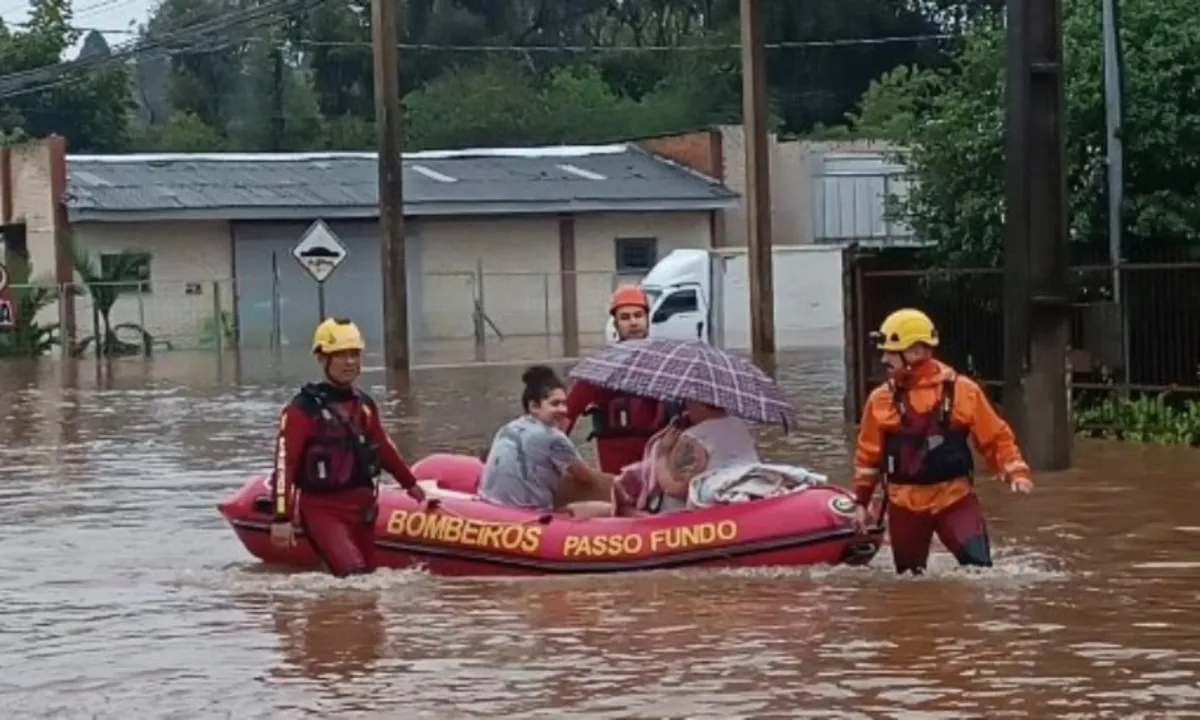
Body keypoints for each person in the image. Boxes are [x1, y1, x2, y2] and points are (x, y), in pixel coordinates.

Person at [852, 308, 1034, 575]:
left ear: (915, 352)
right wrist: (861, 503)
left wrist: (1015, 472)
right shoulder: (880, 400)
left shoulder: (963, 391)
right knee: (909, 581)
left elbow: (995, 438)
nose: (883, 359)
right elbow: (867, 457)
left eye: (891, 353)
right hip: (904, 505)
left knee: (980, 571)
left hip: (954, 499)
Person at [269, 318, 429, 577]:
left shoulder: (364, 405)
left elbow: (384, 448)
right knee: (353, 578)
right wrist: (281, 517)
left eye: (354, 354)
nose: (350, 362)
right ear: (322, 359)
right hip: (324, 510)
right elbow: (284, 464)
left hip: (363, 509)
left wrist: (411, 485)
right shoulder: (302, 410)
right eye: (340, 355)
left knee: (368, 582)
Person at [564, 284, 673, 473]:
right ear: (615, 324)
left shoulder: (664, 364)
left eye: (638, 316)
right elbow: (568, 412)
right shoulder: (601, 367)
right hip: (615, 456)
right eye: (625, 317)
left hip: (655, 452)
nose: (633, 323)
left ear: (648, 319)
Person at [480, 365, 614, 515]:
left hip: (491, 507)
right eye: (555, 404)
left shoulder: (508, 427)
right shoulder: (553, 437)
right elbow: (587, 478)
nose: (563, 410)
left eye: (564, 403)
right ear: (534, 406)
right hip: (530, 515)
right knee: (606, 507)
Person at [617, 399, 760, 514]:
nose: (686, 407)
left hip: (691, 517)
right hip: (738, 500)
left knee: (623, 508)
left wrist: (662, 453)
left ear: (699, 403)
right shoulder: (740, 426)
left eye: (688, 401)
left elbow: (673, 488)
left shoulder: (695, 437)